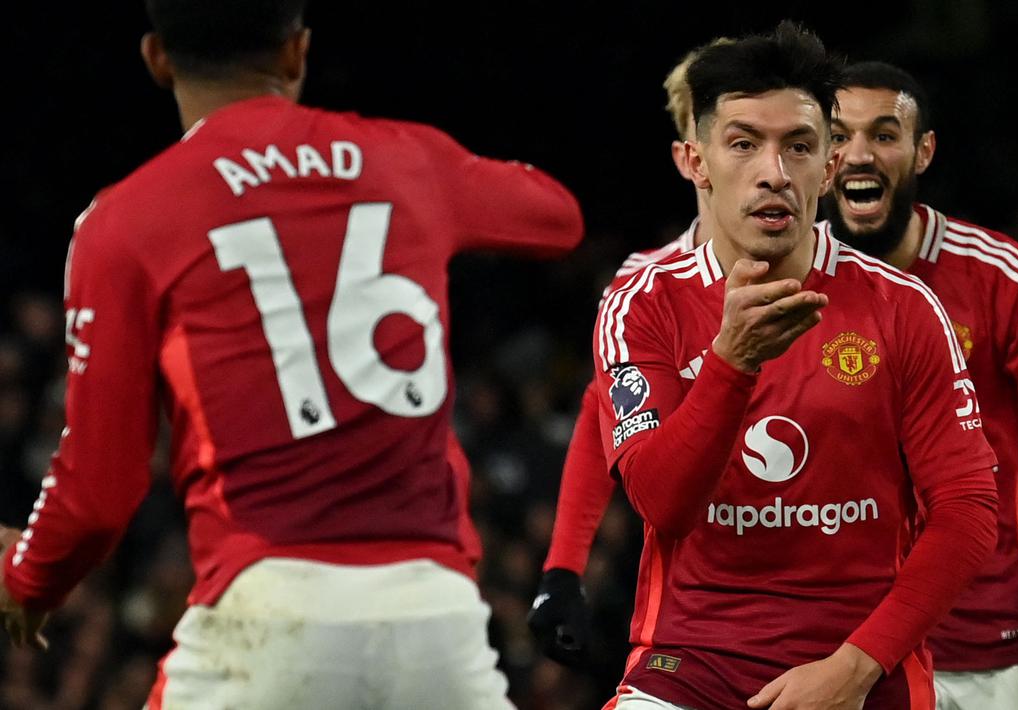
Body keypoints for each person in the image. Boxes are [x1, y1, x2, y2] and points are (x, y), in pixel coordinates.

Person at [0, 0, 584, 707]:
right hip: (438, 623)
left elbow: (99, 487)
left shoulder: (124, 219)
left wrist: (30, 582)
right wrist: (418, 171)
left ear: (156, 58)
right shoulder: (407, 158)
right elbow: (558, 218)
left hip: (266, 615)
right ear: (296, 53)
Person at [594, 24, 1000, 709]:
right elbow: (662, 506)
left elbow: (967, 512)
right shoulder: (642, 305)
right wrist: (731, 364)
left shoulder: (901, 309)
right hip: (694, 661)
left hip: (861, 661)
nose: (773, 173)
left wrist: (855, 665)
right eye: (744, 143)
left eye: (799, 147)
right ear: (694, 161)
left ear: (830, 166)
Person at [818, 62, 1018, 709]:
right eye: (838, 135)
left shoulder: (999, 276)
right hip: (850, 654)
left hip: (1000, 649)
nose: (858, 154)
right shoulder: (789, 283)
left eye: (883, 134)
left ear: (923, 150)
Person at [527, 37, 728, 669]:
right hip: (700, 627)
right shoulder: (644, 292)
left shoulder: (870, 284)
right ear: (690, 154)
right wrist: (562, 568)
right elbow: (601, 408)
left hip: (854, 618)